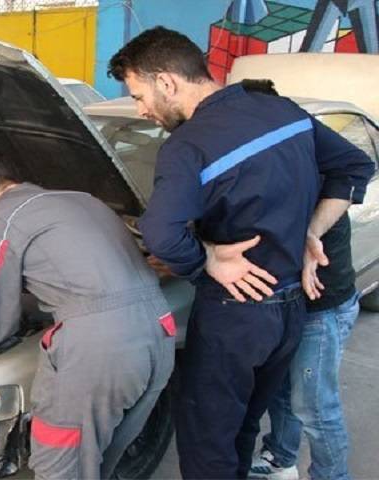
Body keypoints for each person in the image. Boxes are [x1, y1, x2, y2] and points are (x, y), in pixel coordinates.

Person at [108, 27, 374, 478]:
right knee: (244, 427)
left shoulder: (187, 145)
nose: (141, 110)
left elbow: (160, 234)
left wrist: (207, 260)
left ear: (167, 82)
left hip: (235, 316)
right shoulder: (283, 111)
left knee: (208, 442)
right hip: (289, 313)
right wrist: (310, 231)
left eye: (138, 96)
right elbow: (355, 166)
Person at [0, 151, 175, 479]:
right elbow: (79, 280)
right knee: (101, 458)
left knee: (62, 465)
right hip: (159, 331)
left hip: (99, 350)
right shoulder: (81, 199)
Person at [248, 88, 374, 480]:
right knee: (283, 392)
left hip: (322, 307)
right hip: (289, 303)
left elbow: (357, 169)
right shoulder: (269, 159)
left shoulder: (317, 164)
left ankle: (331, 476)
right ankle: (281, 458)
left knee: (315, 407)